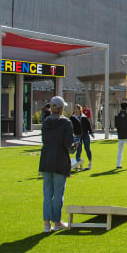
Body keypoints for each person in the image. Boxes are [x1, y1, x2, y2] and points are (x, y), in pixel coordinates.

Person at [39, 96, 75, 232]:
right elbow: (68, 143)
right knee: (58, 193)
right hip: (60, 159)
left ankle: (46, 224)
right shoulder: (66, 123)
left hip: (46, 159)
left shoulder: (46, 122)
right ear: (61, 108)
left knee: (47, 192)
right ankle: (57, 222)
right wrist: (73, 147)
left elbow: (44, 140)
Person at [70, 104, 94, 171]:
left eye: (77, 109)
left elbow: (88, 125)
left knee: (87, 149)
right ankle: (77, 165)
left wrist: (91, 132)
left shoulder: (84, 117)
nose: (76, 110)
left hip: (85, 135)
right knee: (79, 150)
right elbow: (70, 127)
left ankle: (90, 163)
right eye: (75, 109)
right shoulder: (72, 118)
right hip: (77, 136)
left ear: (80, 110)